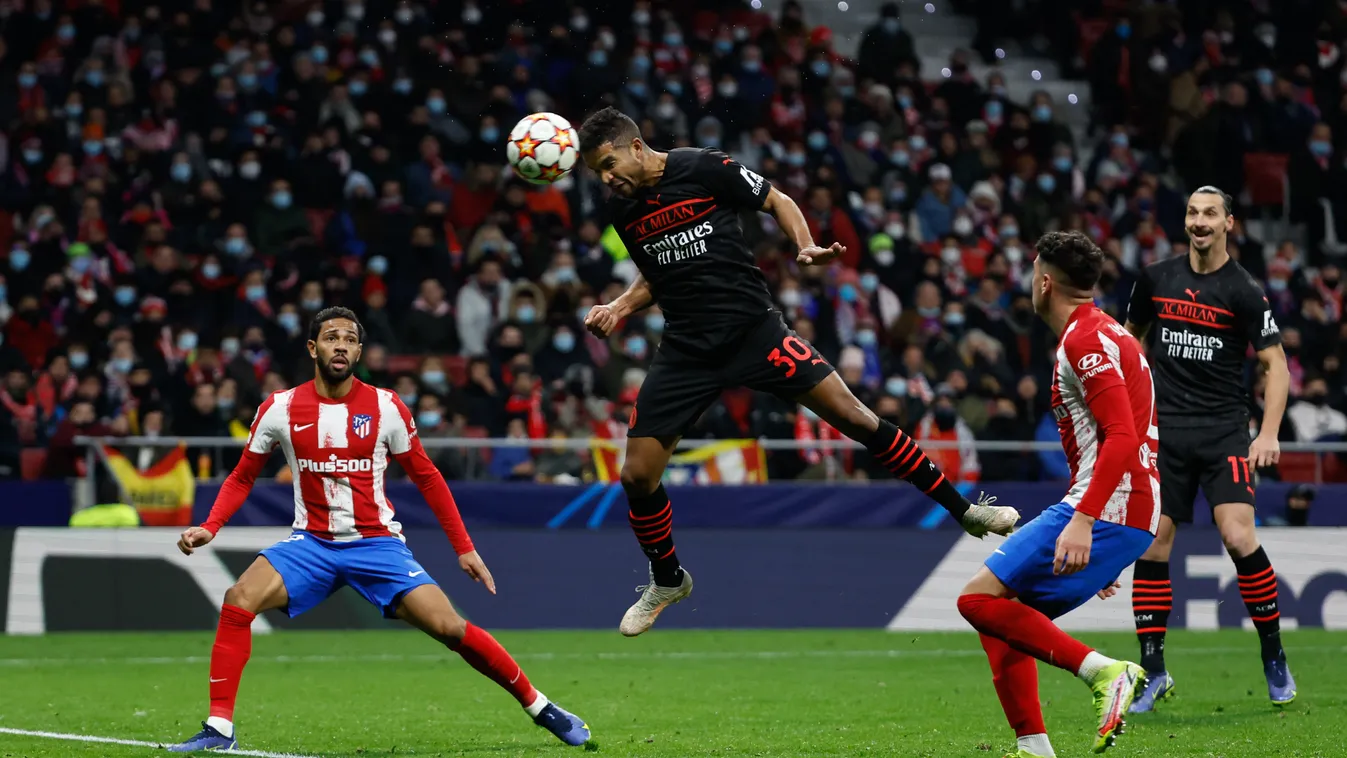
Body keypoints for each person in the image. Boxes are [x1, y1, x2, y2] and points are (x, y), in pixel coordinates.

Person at [576, 106, 1019, 637]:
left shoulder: (704, 167)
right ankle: (668, 578)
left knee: (856, 418)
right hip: (687, 350)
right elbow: (657, 273)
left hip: (755, 333)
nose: (606, 178)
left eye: (607, 164)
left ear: (636, 146)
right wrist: (619, 307)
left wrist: (804, 244)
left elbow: (776, 200)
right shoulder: (623, 209)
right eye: (596, 172)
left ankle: (964, 510)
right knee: (636, 476)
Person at [167, 307, 589, 752]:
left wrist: (464, 548)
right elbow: (241, 476)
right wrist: (211, 526)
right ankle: (219, 730)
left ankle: (542, 708)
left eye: (350, 339)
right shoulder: (280, 408)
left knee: (450, 627)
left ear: (359, 351)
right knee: (238, 599)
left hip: (376, 545)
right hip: (310, 543)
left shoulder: (386, 407)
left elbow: (428, 477)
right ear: (313, 348)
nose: (341, 346)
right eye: (331, 338)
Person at [956, 231, 1158, 758]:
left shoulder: (1084, 340)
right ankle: (1034, 746)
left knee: (975, 599)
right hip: (1126, 508)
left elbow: (1122, 436)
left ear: (1044, 282)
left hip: (1109, 505)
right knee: (1003, 612)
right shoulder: (1112, 335)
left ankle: (1104, 673)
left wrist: (1086, 520)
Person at [1124, 186, 1295, 710]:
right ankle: (1153, 671)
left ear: (1228, 223)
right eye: (1193, 213)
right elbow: (1129, 343)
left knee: (1238, 536)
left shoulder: (1244, 289)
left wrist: (1267, 433)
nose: (1200, 221)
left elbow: (1277, 365)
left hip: (1223, 432)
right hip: (1165, 431)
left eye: (1210, 214)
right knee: (1153, 545)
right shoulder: (1155, 278)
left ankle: (1274, 655)